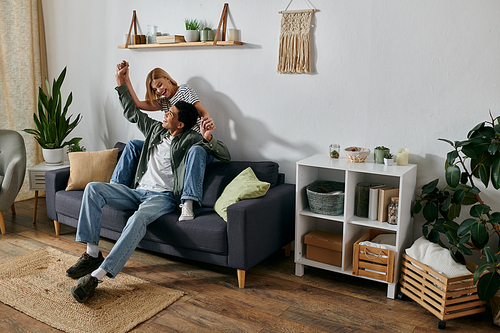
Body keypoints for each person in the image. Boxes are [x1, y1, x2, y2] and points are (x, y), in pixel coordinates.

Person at [66, 65, 231, 303]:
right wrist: (121, 82)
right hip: (136, 192)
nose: (164, 114)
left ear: (181, 124)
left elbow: (224, 155)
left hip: (161, 198)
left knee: (138, 219)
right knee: (92, 188)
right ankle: (92, 253)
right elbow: (133, 112)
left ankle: (98, 276)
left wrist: (209, 139)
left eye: (170, 113)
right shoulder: (155, 130)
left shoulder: (190, 140)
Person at [110, 61, 213, 221]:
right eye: (154, 89)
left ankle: (188, 204)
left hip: (194, 144)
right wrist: (125, 79)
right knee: (133, 145)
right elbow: (137, 104)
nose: (159, 90)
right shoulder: (164, 102)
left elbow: (201, 111)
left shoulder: (184, 90)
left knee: (196, 150)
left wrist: (206, 127)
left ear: (167, 78)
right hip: (174, 142)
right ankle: (114, 189)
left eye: (159, 84)